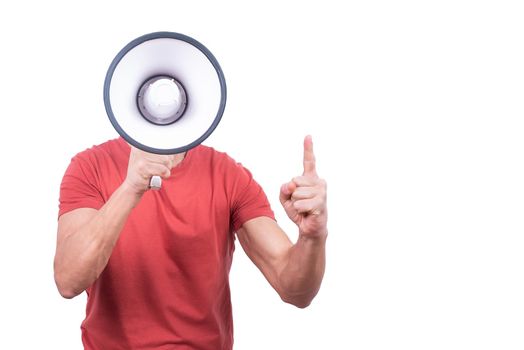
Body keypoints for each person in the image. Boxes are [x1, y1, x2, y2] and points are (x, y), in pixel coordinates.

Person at [54, 135, 328, 349]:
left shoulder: (228, 175)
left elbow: (295, 290)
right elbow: (68, 280)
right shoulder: (89, 167)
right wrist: (131, 187)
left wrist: (312, 236)